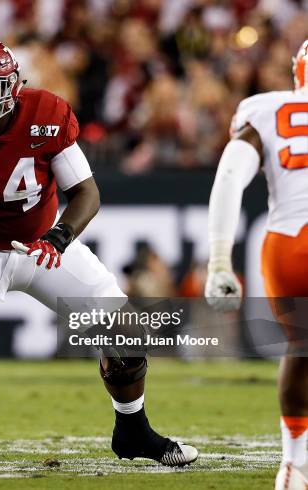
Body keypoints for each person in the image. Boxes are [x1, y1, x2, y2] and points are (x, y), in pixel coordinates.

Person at [0, 37, 198, 467]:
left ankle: (133, 431)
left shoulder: (45, 114)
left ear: (12, 84)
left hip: (44, 244)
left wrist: (59, 237)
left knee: (125, 330)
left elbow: (85, 193)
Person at [206, 40, 308, 490]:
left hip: (286, 244)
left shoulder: (265, 109)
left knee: (301, 349)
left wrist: (219, 259)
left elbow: (229, 177)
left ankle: (294, 465)